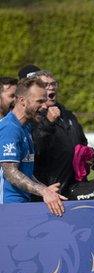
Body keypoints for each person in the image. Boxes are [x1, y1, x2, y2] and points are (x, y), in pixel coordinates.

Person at [0, 77, 65, 216]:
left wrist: (44, 188)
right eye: (40, 101)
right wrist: (43, 191)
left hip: (21, 205)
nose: (45, 106)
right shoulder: (10, 129)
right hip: (7, 207)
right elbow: (10, 172)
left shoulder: (26, 128)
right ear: (22, 101)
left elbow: (25, 172)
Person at [27, 70, 89, 200]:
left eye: (53, 84)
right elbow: (35, 148)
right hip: (49, 190)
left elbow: (82, 141)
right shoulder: (32, 116)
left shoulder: (68, 115)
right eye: (45, 84)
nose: (51, 87)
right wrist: (48, 123)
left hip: (74, 187)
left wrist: (86, 154)